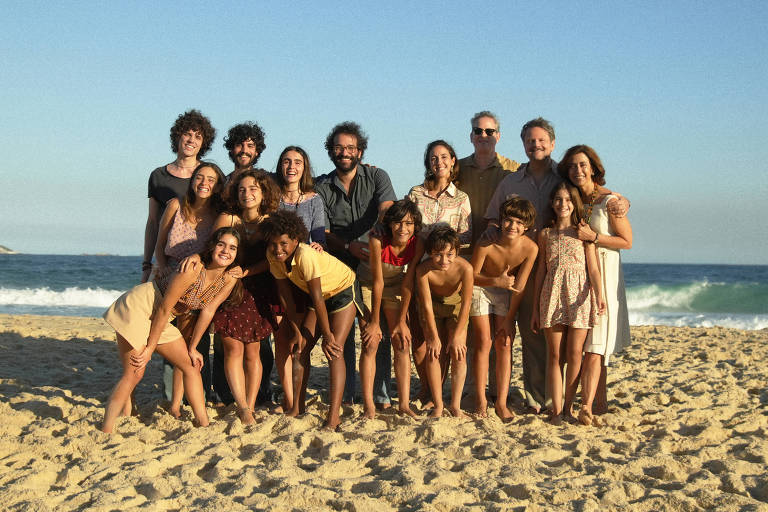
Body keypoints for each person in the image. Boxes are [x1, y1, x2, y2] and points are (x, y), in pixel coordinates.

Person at [484, 117, 629, 414]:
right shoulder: (510, 181)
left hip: (572, 273)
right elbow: (494, 218)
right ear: (523, 144)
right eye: (529, 140)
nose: (535, 145)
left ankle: (563, 402)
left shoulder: (563, 179)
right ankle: (538, 400)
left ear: (552, 144)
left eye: (541, 140)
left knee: (572, 347)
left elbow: (595, 192)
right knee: (530, 335)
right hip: (524, 268)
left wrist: (621, 200)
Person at [101, 228, 241, 433]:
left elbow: (208, 311)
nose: (225, 251)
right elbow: (165, 308)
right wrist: (149, 349)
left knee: (191, 365)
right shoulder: (193, 268)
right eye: (221, 244)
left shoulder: (229, 278)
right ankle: (106, 429)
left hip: (163, 318)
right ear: (212, 246)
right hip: (141, 306)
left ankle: (204, 423)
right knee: (135, 372)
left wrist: (193, 346)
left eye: (232, 247)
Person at [315, 122, 396, 406]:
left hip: (373, 262)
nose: (345, 152)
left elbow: (387, 208)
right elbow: (322, 231)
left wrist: (375, 232)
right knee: (344, 332)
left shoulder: (377, 176)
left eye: (350, 147)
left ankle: (380, 395)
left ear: (360, 150)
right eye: (338, 147)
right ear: (331, 151)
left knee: (376, 328)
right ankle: (346, 393)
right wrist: (349, 245)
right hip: (338, 265)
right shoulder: (320, 186)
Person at [262, 210, 361, 431]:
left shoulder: (305, 255)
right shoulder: (273, 257)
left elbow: (317, 297)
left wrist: (327, 336)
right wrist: (297, 330)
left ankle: (334, 417)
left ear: (296, 240)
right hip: (319, 297)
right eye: (273, 244)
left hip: (342, 289)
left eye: (284, 244)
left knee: (334, 349)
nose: (278, 249)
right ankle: (297, 407)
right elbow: (285, 296)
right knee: (300, 349)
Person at [558, 145, 632, 425]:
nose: (578, 170)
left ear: (594, 167)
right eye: (572, 166)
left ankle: (586, 406)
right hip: (577, 273)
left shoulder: (609, 200)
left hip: (604, 269)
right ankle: (599, 402)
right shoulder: (572, 198)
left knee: (596, 343)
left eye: (583, 165)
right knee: (589, 341)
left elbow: (627, 241)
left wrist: (594, 237)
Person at [208, 170, 281, 424]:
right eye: (241, 190)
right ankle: (242, 406)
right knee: (232, 349)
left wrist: (248, 271)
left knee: (254, 352)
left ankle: (250, 403)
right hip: (230, 289)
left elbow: (274, 258)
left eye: (253, 189)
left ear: (263, 193)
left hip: (259, 291)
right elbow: (212, 250)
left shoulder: (271, 222)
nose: (247, 194)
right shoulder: (227, 218)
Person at [154, 162, 227, 416]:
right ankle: (174, 402)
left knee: (188, 345)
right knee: (168, 343)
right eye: (200, 177)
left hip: (197, 282)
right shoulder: (175, 205)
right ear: (192, 180)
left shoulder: (219, 213)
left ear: (218, 186)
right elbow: (159, 244)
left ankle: (185, 401)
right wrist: (161, 268)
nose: (205, 183)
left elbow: (214, 251)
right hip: (169, 279)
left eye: (211, 179)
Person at [531, 182, 605, 425]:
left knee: (575, 354)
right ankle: (556, 410)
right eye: (558, 200)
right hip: (551, 295)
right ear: (552, 203)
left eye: (568, 200)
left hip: (579, 296)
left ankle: (569, 408)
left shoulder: (584, 232)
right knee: (554, 356)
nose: (563, 204)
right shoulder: (545, 234)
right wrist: (535, 308)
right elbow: (540, 271)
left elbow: (593, 268)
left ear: (575, 204)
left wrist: (599, 295)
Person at [469, 197, 538, 420]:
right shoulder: (486, 242)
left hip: (506, 292)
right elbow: (471, 276)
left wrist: (510, 319)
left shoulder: (530, 248)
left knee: (505, 344)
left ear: (526, 226)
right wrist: (495, 282)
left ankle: (500, 402)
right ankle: (480, 400)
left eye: (519, 223)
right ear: (500, 221)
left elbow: (519, 286)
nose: (512, 226)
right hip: (482, 287)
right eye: (508, 220)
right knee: (483, 342)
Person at [357, 199, 425, 419]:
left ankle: (404, 404)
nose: (402, 229)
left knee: (402, 341)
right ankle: (369, 405)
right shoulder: (378, 240)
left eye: (408, 223)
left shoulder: (418, 242)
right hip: (369, 284)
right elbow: (377, 282)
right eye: (397, 223)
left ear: (415, 225)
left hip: (396, 284)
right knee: (371, 342)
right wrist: (374, 321)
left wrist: (402, 321)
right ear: (389, 224)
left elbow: (408, 283)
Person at [143, 110, 216, 283]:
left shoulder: (207, 176)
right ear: (178, 136)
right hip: (165, 259)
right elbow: (153, 222)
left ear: (203, 143)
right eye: (187, 134)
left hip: (197, 260)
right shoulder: (158, 175)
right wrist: (147, 265)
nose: (192, 140)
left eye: (198, 136)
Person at [416, 226, 473, 418]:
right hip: (433, 306)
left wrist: (457, 336)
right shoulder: (423, 270)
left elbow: (466, 302)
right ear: (430, 253)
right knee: (433, 352)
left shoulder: (465, 267)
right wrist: (432, 336)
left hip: (456, 306)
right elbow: (426, 305)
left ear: (457, 251)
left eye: (450, 254)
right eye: (438, 255)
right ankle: (438, 404)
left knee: (459, 352)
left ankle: (455, 405)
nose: (444, 260)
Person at [456, 111, 519, 248]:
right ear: (471, 136)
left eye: (489, 131)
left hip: (497, 250)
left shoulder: (514, 169)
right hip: (461, 250)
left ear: (498, 136)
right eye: (478, 131)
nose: (483, 135)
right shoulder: (456, 169)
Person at [408, 140, 471, 244]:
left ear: (453, 161)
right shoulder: (416, 193)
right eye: (434, 158)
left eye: (444, 157)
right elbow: (406, 227)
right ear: (429, 164)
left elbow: (466, 237)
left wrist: (441, 243)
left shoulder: (462, 198)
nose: (439, 162)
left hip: (446, 259)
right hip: (417, 258)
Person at [275, 146, 326, 247]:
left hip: (303, 256)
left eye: (297, 162)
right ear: (281, 166)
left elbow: (320, 240)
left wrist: (319, 246)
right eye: (286, 162)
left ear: (304, 168)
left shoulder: (314, 200)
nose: (291, 166)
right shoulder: (273, 199)